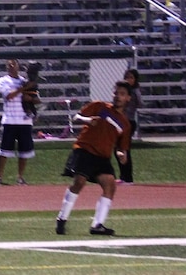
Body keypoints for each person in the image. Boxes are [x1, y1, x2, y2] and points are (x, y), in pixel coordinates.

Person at [54, 81, 132, 236]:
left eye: (122, 94)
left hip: (102, 157)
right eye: (116, 93)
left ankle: (97, 225)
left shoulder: (125, 124)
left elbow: (121, 147)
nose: (118, 96)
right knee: (79, 182)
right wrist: (88, 120)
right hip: (85, 150)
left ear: (128, 98)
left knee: (110, 185)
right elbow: (76, 117)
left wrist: (121, 155)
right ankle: (62, 218)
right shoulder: (99, 106)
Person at [0, 59, 35, 186]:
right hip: (10, 120)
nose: (11, 67)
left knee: (24, 151)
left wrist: (30, 91)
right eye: (8, 65)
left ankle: (20, 177)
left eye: (13, 65)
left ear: (18, 66)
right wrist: (22, 89)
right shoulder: (3, 80)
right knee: (4, 150)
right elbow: (9, 96)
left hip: (24, 120)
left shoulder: (23, 81)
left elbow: (34, 98)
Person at [117, 68, 142, 184]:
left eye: (131, 77)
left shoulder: (135, 91)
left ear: (135, 79)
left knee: (125, 149)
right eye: (127, 77)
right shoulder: (123, 90)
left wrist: (129, 101)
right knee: (117, 150)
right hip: (120, 122)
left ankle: (128, 178)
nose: (128, 79)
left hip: (129, 123)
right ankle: (123, 176)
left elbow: (140, 103)